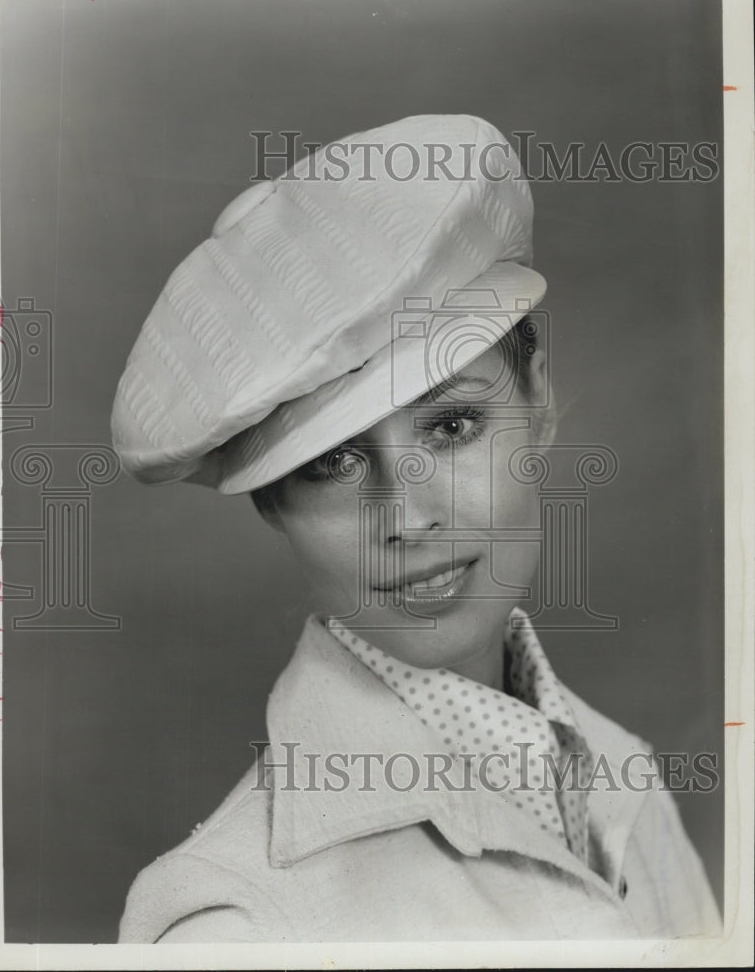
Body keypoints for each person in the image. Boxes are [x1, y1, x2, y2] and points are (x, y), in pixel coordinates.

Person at [111, 114, 720, 942]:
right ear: (270, 504)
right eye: (330, 464)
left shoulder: (627, 779)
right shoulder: (235, 922)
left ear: (537, 402)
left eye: (451, 427)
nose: (406, 515)